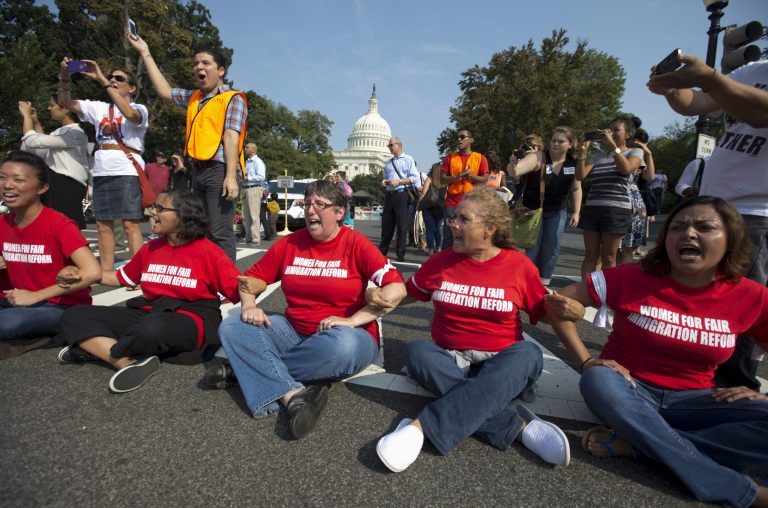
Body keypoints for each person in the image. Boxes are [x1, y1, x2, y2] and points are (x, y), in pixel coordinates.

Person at [548, 196, 768, 508]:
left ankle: (641, 447)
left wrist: (762, 397)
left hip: (697, 402)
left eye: (704, 228)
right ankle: (739, 490)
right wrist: (586, 360)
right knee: (597, 380)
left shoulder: (750, 295)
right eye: (678, 227)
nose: (689, 234)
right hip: (628, 391)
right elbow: (555, 305)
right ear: (667, 239)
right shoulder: (632, 276)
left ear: (730, 240)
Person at [369, 186, 579, 473]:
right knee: (417, 351)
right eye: (454, 217)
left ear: (489, 229)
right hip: (450, 359)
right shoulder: (441, 262)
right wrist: (374, 299)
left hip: (502, 363)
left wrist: (571, 313)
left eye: (464, 219)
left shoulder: (519, 267)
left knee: (528, 354)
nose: (452, 224)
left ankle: (420, 428)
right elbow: (405, 294)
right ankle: (517, 428)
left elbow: (545, 313)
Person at [207, 180, 406, 439]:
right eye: (308, 203)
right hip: (293, 331)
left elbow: (397, 288)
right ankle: (293, 395)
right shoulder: (290, 244)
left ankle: (246, 370)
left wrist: (353, 320)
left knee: (344, 347)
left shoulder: (356, 244)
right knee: (233, 326)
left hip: (344, 337)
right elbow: (248, 282)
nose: (311, 210)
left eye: (320, 205)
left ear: (339, 212)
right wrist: (249, 305)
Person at [649, 56, 768, 389]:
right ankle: (690, 376)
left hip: (757, 212)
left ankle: (734, 389)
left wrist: (712, 77)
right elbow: (696, 103)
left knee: (741, 303)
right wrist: (672, 88)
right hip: (716, 206)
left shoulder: (729, 79)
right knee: (700, 294)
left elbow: (760, 114)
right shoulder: (753, 69)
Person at [55, 189, 241, 393]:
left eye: (160, 208)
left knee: (151, 328)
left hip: (192, 318)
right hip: (150, 311)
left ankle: (92, 347)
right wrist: (80, 274)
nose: (152, 213)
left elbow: (238, 291)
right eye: (154, 207)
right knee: (74, 314)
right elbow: (119, 278)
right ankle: (124, 362)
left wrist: (254, 287)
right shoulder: (150, 248)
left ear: (183, 214)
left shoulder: (210, 252)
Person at [127, 33, 247, 261]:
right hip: (199, 171)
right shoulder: (194, 97)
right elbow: (164, 91)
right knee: (199, 230)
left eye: (206, 63)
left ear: (220, 70)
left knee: (220, 232)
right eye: (196, 63)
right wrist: (145, 52)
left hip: (220, 170)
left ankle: (227, 287)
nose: (198, 67)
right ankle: (204, 279)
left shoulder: (233, 99)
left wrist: (231, 176)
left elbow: (231, 137)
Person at [58, 57, 148, 270]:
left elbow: (130, 115)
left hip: (127, 167)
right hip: (101, 170)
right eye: (110, 77)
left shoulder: (140, 108)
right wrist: (64, 77)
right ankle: (106, 271)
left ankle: (137, 271)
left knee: (130, 223)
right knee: (103, 224)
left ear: (132, 87)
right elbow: (66, 104)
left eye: (119, 78)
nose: (113, 80)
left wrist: (101, 79)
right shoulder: (98, 107)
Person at [0, 151, 100, 343]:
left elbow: (92, 272)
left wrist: (35, 296)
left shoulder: (59, 224)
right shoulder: (3, 222)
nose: (7, 185)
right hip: (16, 301)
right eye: (2, 177)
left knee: (7, 323)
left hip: (61, 305)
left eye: (18, 179)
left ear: (42, 187)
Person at [507, 128, 582, 286]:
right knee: (532, 247)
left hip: (557, 211)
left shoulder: (573, 163)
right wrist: (514, 162)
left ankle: (544, 282)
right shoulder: (539, 156)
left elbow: (576, 188)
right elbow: (516, 172)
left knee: (551, 248)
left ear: (570, 144)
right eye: (553, 140)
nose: (555, 143)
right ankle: (524, 281)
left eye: (560, 141)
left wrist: (576, 211)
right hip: (532, 210)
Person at [576, 116, 645, 280]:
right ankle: (586, 290)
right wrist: (582, 153)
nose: (611, 133)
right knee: (590, 255)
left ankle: (606, 294)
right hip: (593, 207)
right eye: (609, 129)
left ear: (628, 134)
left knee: (609, 257)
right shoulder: (598, 156)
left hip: (617, 209)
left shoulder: (635, 152)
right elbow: (580, 176)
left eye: (616, 130)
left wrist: (613, 146)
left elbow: (625, 169)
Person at [18, 96, 89, 228]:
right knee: (53, 226)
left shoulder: (74, 133)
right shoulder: (61, 131)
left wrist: (26, 117)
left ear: (66, 109)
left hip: (68, 184)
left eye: (52, 105)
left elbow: (32, 141)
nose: (49, 108)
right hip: (58, 182)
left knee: (67, 227)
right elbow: (42, 148)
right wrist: (36, 122)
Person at [440, 129, 489, 249]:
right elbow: (442, 179)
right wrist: (458, 177)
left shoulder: (480, 158)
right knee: (449, 237)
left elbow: (485, 179)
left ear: (471, 140)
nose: (459, 140)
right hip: (452, 203)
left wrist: (471, 176)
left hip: (472, 203)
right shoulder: (450, 158)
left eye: (462, 137)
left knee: (469, 236)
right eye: (458, 137)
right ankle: (446, 265)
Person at [379, 137, 420, 262]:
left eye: (391, 145)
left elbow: (414, 177)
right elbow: (385, 177)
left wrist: (400, 181)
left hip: (402, 194)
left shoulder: (408, 159)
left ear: (399, 145)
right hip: (390, 194)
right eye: (389, 146)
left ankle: (400, 253)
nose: (390, 148)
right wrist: (384, 182)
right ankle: (382, 251)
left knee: (402, 225)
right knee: (386, 225)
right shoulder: (389, 163)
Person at [620, 129, 655, 264]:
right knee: (607, 247)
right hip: (617, 197)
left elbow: (649, 176)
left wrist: (648, 154)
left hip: (635, 202)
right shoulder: (619, 152)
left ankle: (622, 281)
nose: (637, 143)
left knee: (628, 248)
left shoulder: (640, 155)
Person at [241, 142, 267, 245]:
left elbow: (262, 177)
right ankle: (248, 238)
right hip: (246, 189)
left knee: (254, 215)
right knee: (246, 215)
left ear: (253, 150)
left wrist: (249, 178)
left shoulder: (258, 161)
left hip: (254, 188)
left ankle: (256, 239)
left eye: (247, 147)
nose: (245, 149)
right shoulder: (247, 162)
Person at [416, 164, 443, 254]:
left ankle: (430, 249)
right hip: (440, 207)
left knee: (430, 229)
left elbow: (423, 192)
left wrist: (419, 204)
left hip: (428, 207)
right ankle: (438, 248)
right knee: (437, 229)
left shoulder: (429, 179)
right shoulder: (445, 181)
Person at [144, 153, 171, 238]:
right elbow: (144, 179)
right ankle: (154, 232)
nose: (159, 158)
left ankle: (163, 231)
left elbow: (170, 182)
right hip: (150, 195)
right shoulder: (149, 167)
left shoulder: (168, 169)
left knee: (162, 214)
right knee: (151, 214)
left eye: (162, 157)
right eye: (158, 156)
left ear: (165, 160)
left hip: (163, 196)